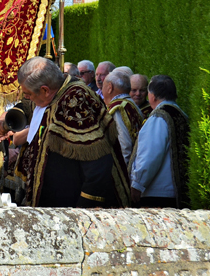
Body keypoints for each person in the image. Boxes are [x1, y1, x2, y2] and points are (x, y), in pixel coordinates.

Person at [14, 57, 129, 208]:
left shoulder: (76, 101)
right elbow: (29, 105)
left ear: (45, 90)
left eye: (28, 93)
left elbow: (98, 165)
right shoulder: (57, 89)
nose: (27, 98)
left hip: (73, 208)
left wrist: (83, 210)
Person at [129, 75, 190, 208]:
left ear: (153, 96)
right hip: (175, 191)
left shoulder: (159, 117)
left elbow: (150, 154)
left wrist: (138, 184)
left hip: (157, 193)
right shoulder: (181, 115)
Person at [101, 71, 144, 165]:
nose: (101, 90)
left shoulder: (118, 108)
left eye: (103, 86)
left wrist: (122, 174)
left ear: (109, 87)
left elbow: (124, 146)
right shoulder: (131, 104)